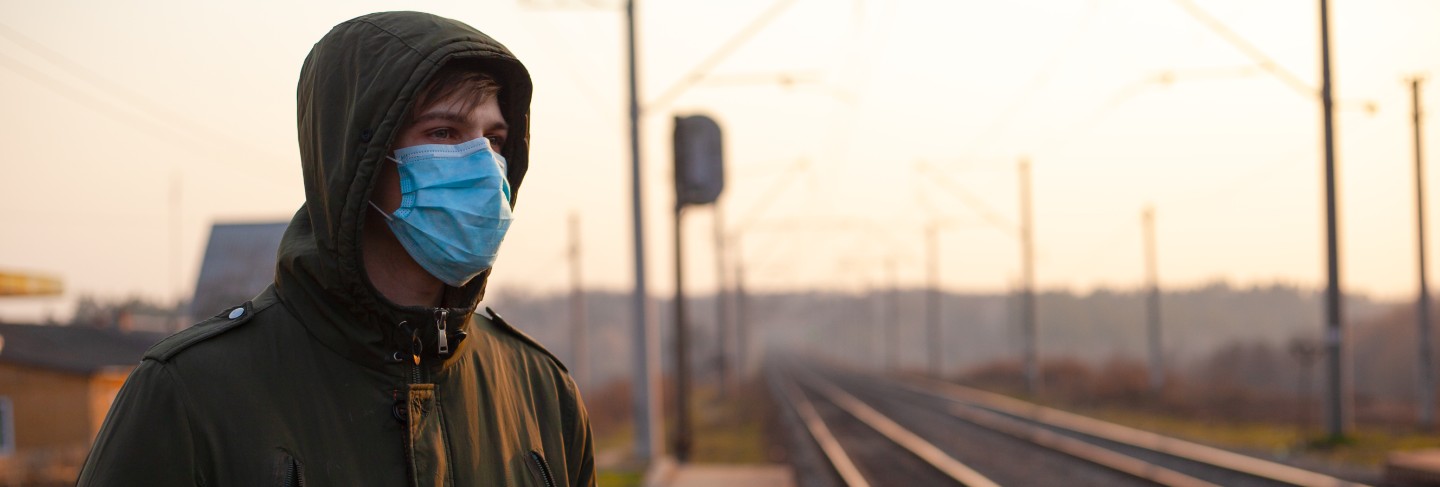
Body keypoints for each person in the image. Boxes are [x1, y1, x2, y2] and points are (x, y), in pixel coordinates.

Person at [77, 11, 595, 486]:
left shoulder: (543, 392)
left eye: (495, 140)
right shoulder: (188, 394)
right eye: (444, 131)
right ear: (358, 158)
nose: (482, 166)